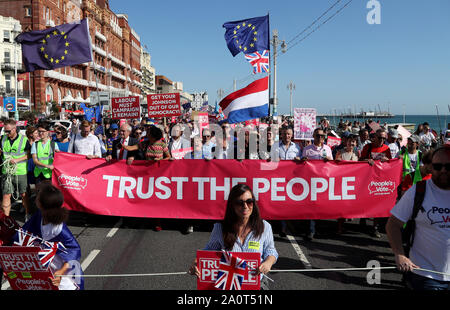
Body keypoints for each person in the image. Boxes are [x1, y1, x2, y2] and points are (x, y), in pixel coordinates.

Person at [188, 183, 278, 290]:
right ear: (232, 205)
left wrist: (268, 263)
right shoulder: (220, 228)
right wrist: (196, 263)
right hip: (229, 283)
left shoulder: (265, 227)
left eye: (249, 202)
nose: (245, 206)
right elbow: (208, 251)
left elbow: (271, 251)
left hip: (255, 282)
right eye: (240, 203)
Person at [386, 145, 450, 290]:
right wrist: (399, 254)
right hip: (426, 275)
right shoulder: (418, 190)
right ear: (431, 167)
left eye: (448, 166)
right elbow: (393, 224)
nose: (443, 170)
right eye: (438, 166)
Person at [16, 183, 84, 290]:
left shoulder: (59, 229)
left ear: (41, 204)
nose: (36, 195)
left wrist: (60, 273)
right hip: (44, 274)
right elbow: (22, 234)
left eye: (38, 195)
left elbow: (74, 250)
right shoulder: (39, 216)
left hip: (63, 280)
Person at [302, 128, 333, 241]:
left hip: (324, 181)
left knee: (322, 206)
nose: (320, 138)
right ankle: (311, 230)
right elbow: (302, 164)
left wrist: (329, 160)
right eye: (318, 136)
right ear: (313, 136)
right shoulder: (307, 149)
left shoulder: (328, 149)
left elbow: (333, 166)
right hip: (311, 182)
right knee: (312, 206)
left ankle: (319, 228)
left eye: (322, 136)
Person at [1, 119, 31, 218]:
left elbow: (29, 155)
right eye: (5, 130)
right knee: (6, 195)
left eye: (8, 131)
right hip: (7, 171)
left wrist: (17, 160)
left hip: (20, 171)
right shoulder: (2, 138)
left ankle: (27, 214)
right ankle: (6, 218)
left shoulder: (23, 140)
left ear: (14, 129)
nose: (6, 133)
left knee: (24, 194)